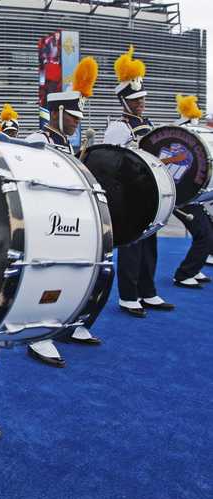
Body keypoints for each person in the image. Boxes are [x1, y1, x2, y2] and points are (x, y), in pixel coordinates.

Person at [22, 56, 102, 368]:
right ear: (56, 112)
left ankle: (69, 320)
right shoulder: (37, 140)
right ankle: (39, 333)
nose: (76, 121)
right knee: (46, 275)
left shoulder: (67, 144)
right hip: (45, 223)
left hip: (72, 220)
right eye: (71, 116)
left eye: (78, 116)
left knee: (79, 271)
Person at [103, 45, 174, 317]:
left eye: (141, 99)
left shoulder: (148, 123)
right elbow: (111, 165)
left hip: (150, 193)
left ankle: (148, 291)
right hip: (130, 196)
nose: (140, 103)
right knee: (132, 248)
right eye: (135, 100)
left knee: (150, 245)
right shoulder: (118, 128)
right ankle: (128, 296)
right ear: (124, 102)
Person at [169, 94, 213, 288]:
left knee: (206, 233)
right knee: (204, 235)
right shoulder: (177, 143)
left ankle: (194, 268)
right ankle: (183, 274)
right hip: (183, 197)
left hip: (193, 196)